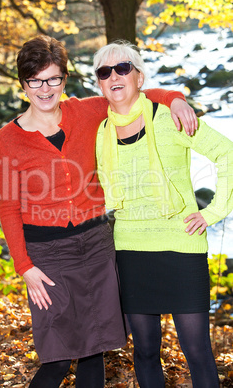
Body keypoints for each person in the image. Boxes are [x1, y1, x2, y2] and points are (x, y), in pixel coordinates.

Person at [0, 35, 197, 388]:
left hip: (97, 245)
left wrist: (176, 100)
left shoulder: (85, 111)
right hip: (49, 257)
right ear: (23, 84)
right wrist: (24, 267)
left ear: (64, 79)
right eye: (35, 81)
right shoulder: (6, 140)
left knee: (93, 351)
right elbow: (9, 208)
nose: (45, 89)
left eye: (53, 78)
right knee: (56, 358)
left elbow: (134, 96)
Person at [95, 41, 233, 388]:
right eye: (104, 72)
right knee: (143, 351)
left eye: (123, 68)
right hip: (129, 252)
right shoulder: (101, 132)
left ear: (139, 77)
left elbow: (227, 155)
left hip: (181, 249)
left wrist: (214, 211)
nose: (114, 76)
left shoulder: (171, 117)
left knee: (198, 352)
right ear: (99, 83)